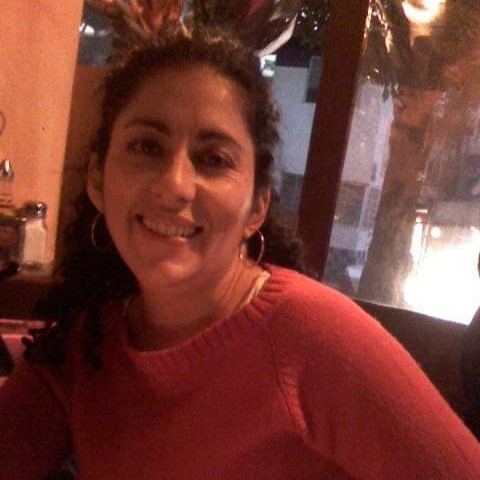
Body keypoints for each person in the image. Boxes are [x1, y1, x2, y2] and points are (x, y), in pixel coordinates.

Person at [0, 25, 479, 480]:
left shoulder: (312, 336)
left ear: (257, 207)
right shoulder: (85, 346)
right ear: (97, 178)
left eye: (214, 159)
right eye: (146, 146)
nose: (174, 184)